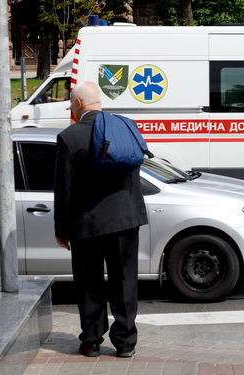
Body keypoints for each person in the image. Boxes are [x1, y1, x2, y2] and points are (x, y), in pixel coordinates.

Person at [53, 81, 148, 358]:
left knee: (89, 282)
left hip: (87, 223)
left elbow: (64, 189)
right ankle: (126, 343)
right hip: (126, 219)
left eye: (71, 103)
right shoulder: (126, 126)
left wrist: (61, 229)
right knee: (125, 280)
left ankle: (92, 341)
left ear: (79, 104)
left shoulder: (69, 137)